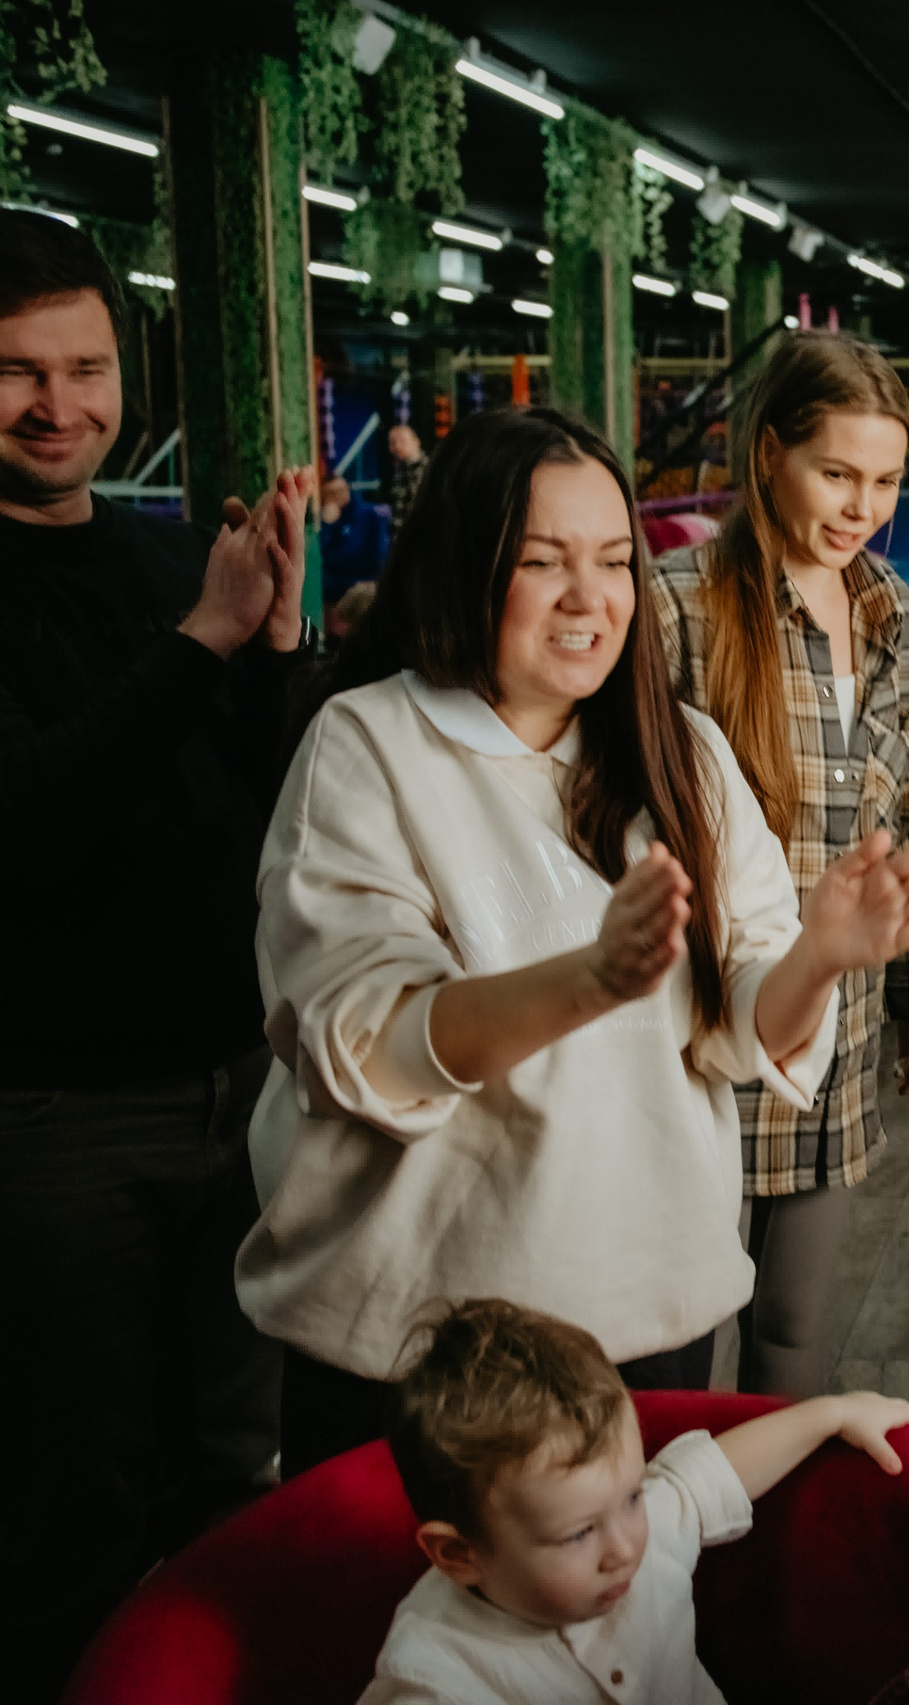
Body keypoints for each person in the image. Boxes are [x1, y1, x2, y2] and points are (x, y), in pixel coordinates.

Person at [236, 405, 909, 1474]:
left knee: (637, 1620)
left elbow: (735, 1035)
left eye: (612, 561)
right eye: (543, 562)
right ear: (463, 563)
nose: (592, 599)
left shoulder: (682, 752)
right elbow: (366, 1041)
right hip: (426, 1348)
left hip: (646, 1313)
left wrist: (823, 955)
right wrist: (588, 978)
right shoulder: (368, 747)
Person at [0, 208, 312, 1691]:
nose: (58, 405)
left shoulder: (166, 552)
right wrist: (200, 640)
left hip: (232, 1091)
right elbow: (33, 822)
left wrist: (279, 644)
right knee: (72, 1492)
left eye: (86, 365)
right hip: (59, 1113)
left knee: (226, 1476)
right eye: (15, 370)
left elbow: (262, 798)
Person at [650, 334, 909, 1399]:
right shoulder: (676, 603)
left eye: (882, 482)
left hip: (844, 1016)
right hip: (701, 1019)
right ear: (768, 452)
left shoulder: (894, 617)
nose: (860, 506)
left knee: (794, 1327)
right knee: (689, 1326)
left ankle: (771, 1541)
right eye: (836, 473)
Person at [362, 1298, 909, 1705]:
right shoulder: (435, 1681)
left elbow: (706, 1477)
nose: (624, 1548)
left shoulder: (639, 1530)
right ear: (458, 1554)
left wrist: (830, 1413)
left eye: (632, 1496)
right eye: (578, 1534)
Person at [318, 473, 392, 612]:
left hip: (362, 582)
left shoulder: (367, 514)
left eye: (342, 490)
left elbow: (352, 552)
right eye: (331, 493)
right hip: (333, 587)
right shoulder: (324, 518)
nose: (338, 495)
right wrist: (328, 525)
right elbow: (319, 556)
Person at [383, 420, 428, 534]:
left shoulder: (428, 470)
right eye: (393, 442)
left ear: (416, 442)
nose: (397, 446)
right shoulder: (398, 472)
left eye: (403, 441)